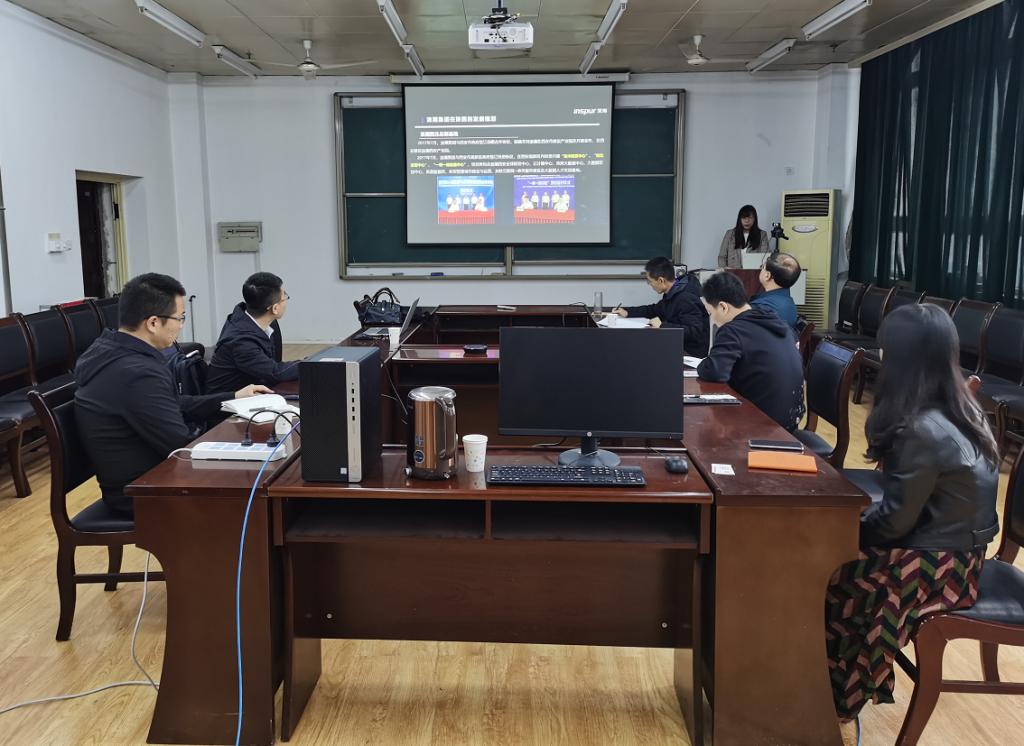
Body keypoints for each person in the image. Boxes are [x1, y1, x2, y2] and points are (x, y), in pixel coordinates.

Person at [825, 303, 999, 743]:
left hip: (937, 565)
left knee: (830, 573)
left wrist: (838, 533)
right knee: (828, 556)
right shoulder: (961, 404)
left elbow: (893, 525)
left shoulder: (921, 427)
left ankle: (836, 698)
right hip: (960, 552)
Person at [74, 273, 271, 517]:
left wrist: (233, 398)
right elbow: (179, 447)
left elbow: (174, 404)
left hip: (144, 480)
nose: (181, 326)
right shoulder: (137, 373)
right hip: (145, 492)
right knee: (261, 488)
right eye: (180, 318)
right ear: (153, 323)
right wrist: (235, 446)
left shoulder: (109, 350)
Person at [696, 271, 804, 430]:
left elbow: (714, 372)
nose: (712, 319)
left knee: (703, 426)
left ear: (723, 307)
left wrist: (702, 365)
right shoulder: (772, 319)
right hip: (791, 419)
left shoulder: (732, 331)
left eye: (711, 313)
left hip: (763, 424)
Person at [206, 272, 301, 394]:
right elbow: (275, 372)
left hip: (253, 387)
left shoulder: (253, 318)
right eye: (285, 296)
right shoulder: (241, 342)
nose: (286, 300)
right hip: (228, 401)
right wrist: (311, 364)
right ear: (275, 308)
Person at [614, 257, 710, 357]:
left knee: (641, 351)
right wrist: (627, 312)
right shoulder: (673, 292)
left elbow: (694, 331)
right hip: (676, 344)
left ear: (661, 280)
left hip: (688, 353)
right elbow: (653, 310)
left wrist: (662, 326)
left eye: (650, 281)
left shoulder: (686, 298)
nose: (650, 284)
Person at [750, 252, 801, 328]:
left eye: (762, 267)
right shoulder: (789, 303)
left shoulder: (760, 307)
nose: (761, 269)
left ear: (767, 275)